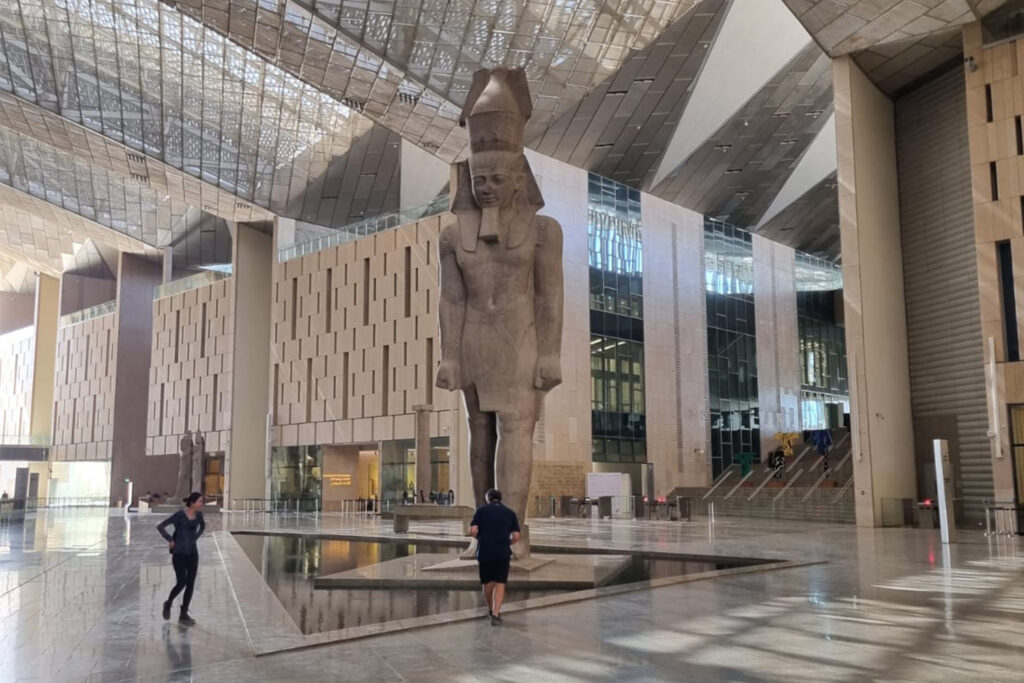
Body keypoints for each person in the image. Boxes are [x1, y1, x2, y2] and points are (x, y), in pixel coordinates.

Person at [470, 488, 520, 625]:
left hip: (485, 551)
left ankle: (490, 609)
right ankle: (497, 613)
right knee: (500, 582)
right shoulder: (510, 513)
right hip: (502, 552)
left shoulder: (481, 511)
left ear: (488, 498)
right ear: (500, 498)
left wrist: (480, 538)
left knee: (487, 583)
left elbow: (473, 530)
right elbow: (516, 536)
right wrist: (508, 542)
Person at [157, 492, 206, 625]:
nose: (202, 504)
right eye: (200, 501)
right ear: (192, 502)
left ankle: (183, 613)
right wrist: (170, 539)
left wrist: (195, 538)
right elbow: (161, 526)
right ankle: (168, 602)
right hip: (179, 554)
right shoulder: (179, 515)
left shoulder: (199, 516)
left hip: (192, 554)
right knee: (182, 582)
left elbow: (203, 527)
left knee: (190, 583)